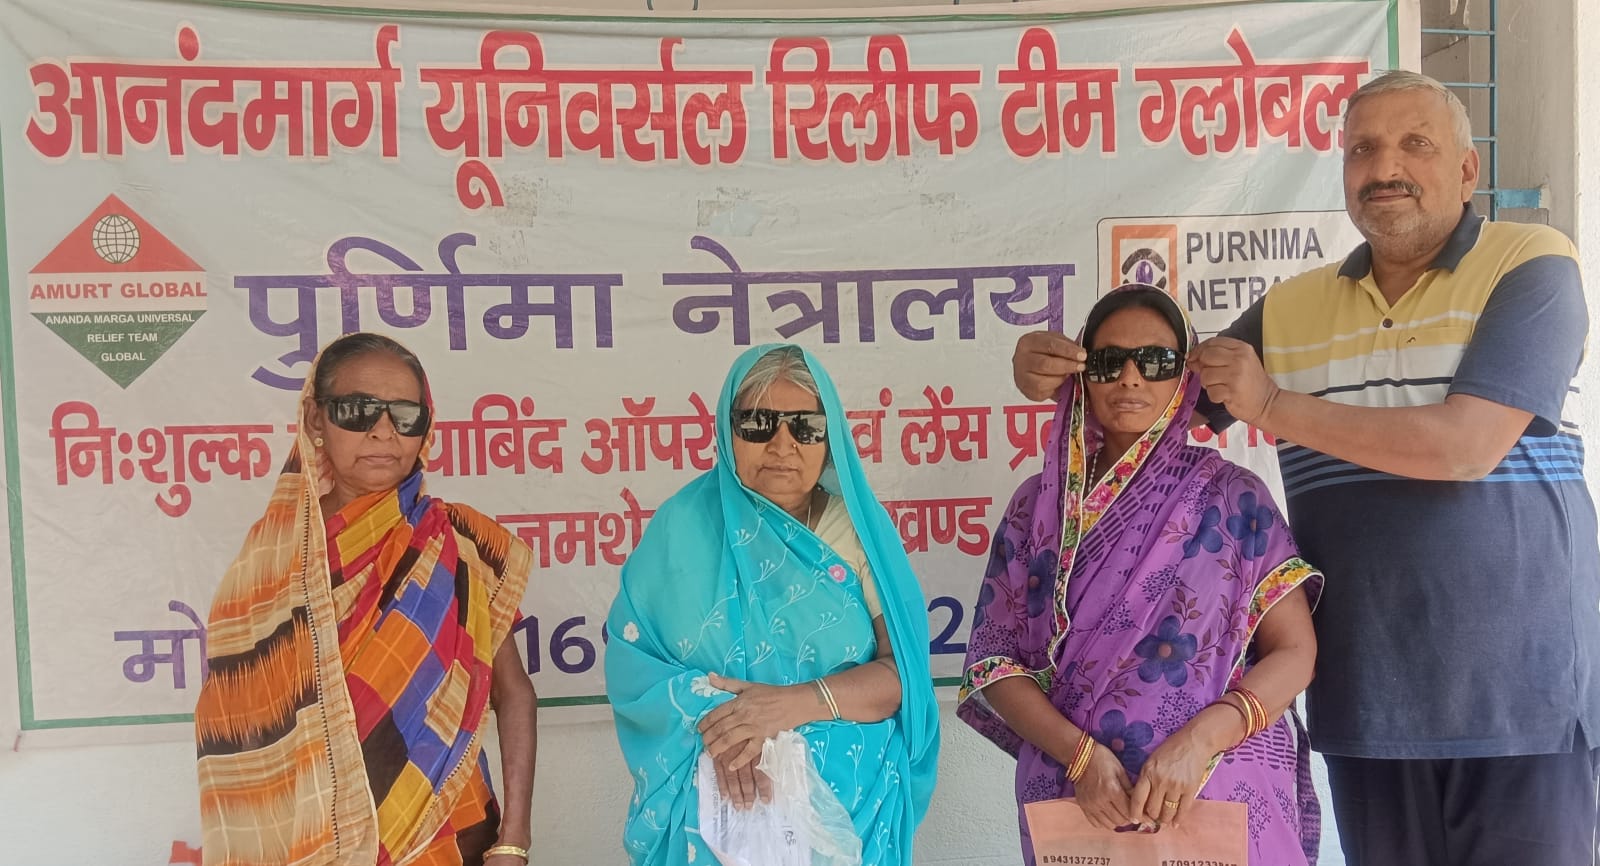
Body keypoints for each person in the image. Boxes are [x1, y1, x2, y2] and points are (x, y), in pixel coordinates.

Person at [1012, 70, 1600, 866]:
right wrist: (1057, 374)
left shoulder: (1531, 263)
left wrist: (1272, 404)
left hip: (1524, 697)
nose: (1385, 167)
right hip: (1370, 703)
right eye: (1363, 149)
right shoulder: (1291, 309)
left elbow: (1466, 447)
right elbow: (1150, 403)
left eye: (1415, 144)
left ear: (1468, 170)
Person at [962, 285, 1321, 865]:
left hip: (1217, 788)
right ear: (1081, 376)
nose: (1130, 379)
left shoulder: (1233, 497)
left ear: (1186, 376)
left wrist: (1200, 742)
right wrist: (1081, 759)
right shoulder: (1038, 508)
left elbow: (1296, 652)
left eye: (1155, 361)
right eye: (1108, 362)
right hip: (1079, 798)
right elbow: (993, 664)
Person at [194, 333, 538, 866]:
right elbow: (239, 717)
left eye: (406, 415)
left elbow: (513, 694)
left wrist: (513, 839)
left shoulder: (461, 543)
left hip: (449, 831)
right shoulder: (273, 560)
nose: (383, 431)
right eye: (357, 411)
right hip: (307, 843)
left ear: (426, 426)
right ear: (316, 419)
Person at [604, 343, 940, 866]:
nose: (783, 444)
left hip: (846, 815)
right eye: (758, 423)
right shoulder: (681, 529)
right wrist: (728, 729)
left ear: (830, 438)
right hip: (716, 810)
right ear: (727, 432)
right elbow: (634, 667)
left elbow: (902, 678)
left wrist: (794, 705)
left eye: (806, 426)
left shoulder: (860, 533)